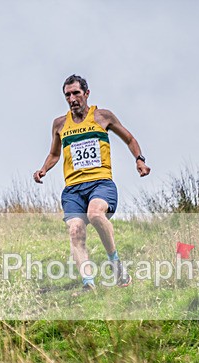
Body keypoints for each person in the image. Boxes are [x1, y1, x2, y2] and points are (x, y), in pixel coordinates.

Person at [33, 74, 150, 290]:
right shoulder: (59, 124)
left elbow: (130, 139)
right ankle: (89, 284)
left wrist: (139, 160)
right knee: (75, 230)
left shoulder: (103, 117)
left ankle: (115, 264)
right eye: (67, 95)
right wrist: (43, 169)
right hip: (73, 191)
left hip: (100, 183)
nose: (72, 98)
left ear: (86, 93)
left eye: (76, 93)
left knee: (95, 214)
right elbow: (54, 154)